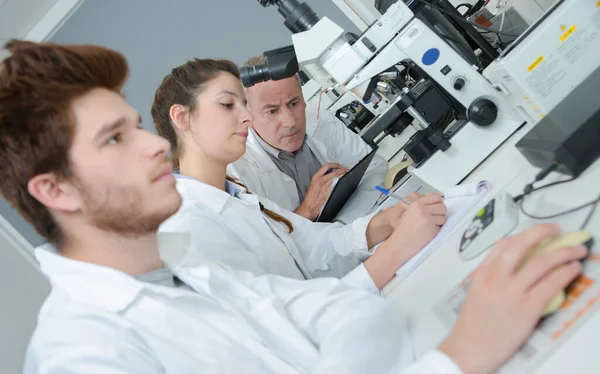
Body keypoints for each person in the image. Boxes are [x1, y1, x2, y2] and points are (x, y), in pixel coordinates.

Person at [2, 40, 586, 374]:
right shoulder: (80, 361)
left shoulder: (186, 278)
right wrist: (461, 357)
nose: (154, 147)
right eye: (115, 139)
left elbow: (349, 312)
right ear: (56, 190)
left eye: (134, 126)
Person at [151, 58, 446, 291]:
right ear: (182, 118)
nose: (246, 116)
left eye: (243, 104)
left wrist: (385, 222)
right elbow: (285, 318)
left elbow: (312, 247)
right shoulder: (186, 227)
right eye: (228, 104)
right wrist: (394, 252)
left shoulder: (237, 193)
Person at [227, 53, 389, 221]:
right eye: (272, 111)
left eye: (293, 103)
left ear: (303, 99)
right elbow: (269, 243)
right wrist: (308, 209)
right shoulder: (239, 169)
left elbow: (374, 168)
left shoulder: (317, 117)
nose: (290, 122)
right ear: (247, 116)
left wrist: (346, 224)